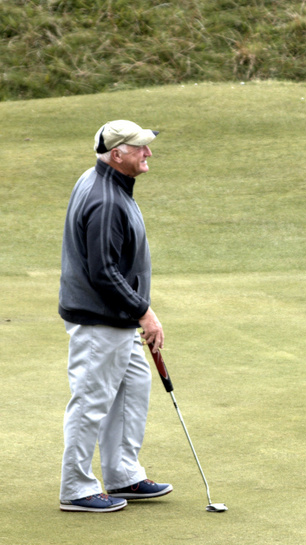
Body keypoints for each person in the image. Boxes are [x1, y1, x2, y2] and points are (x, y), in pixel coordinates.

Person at [58, 120, 172, 513]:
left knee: (133, 389)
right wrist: (145, 312)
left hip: (115, 317)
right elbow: (103, 272)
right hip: (99, 319)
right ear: (117, 154)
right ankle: (75, 488)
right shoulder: (105, 199)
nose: (148, 153)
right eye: (139, 147)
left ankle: (124, 474)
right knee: (91, 401)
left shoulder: (105, 181)